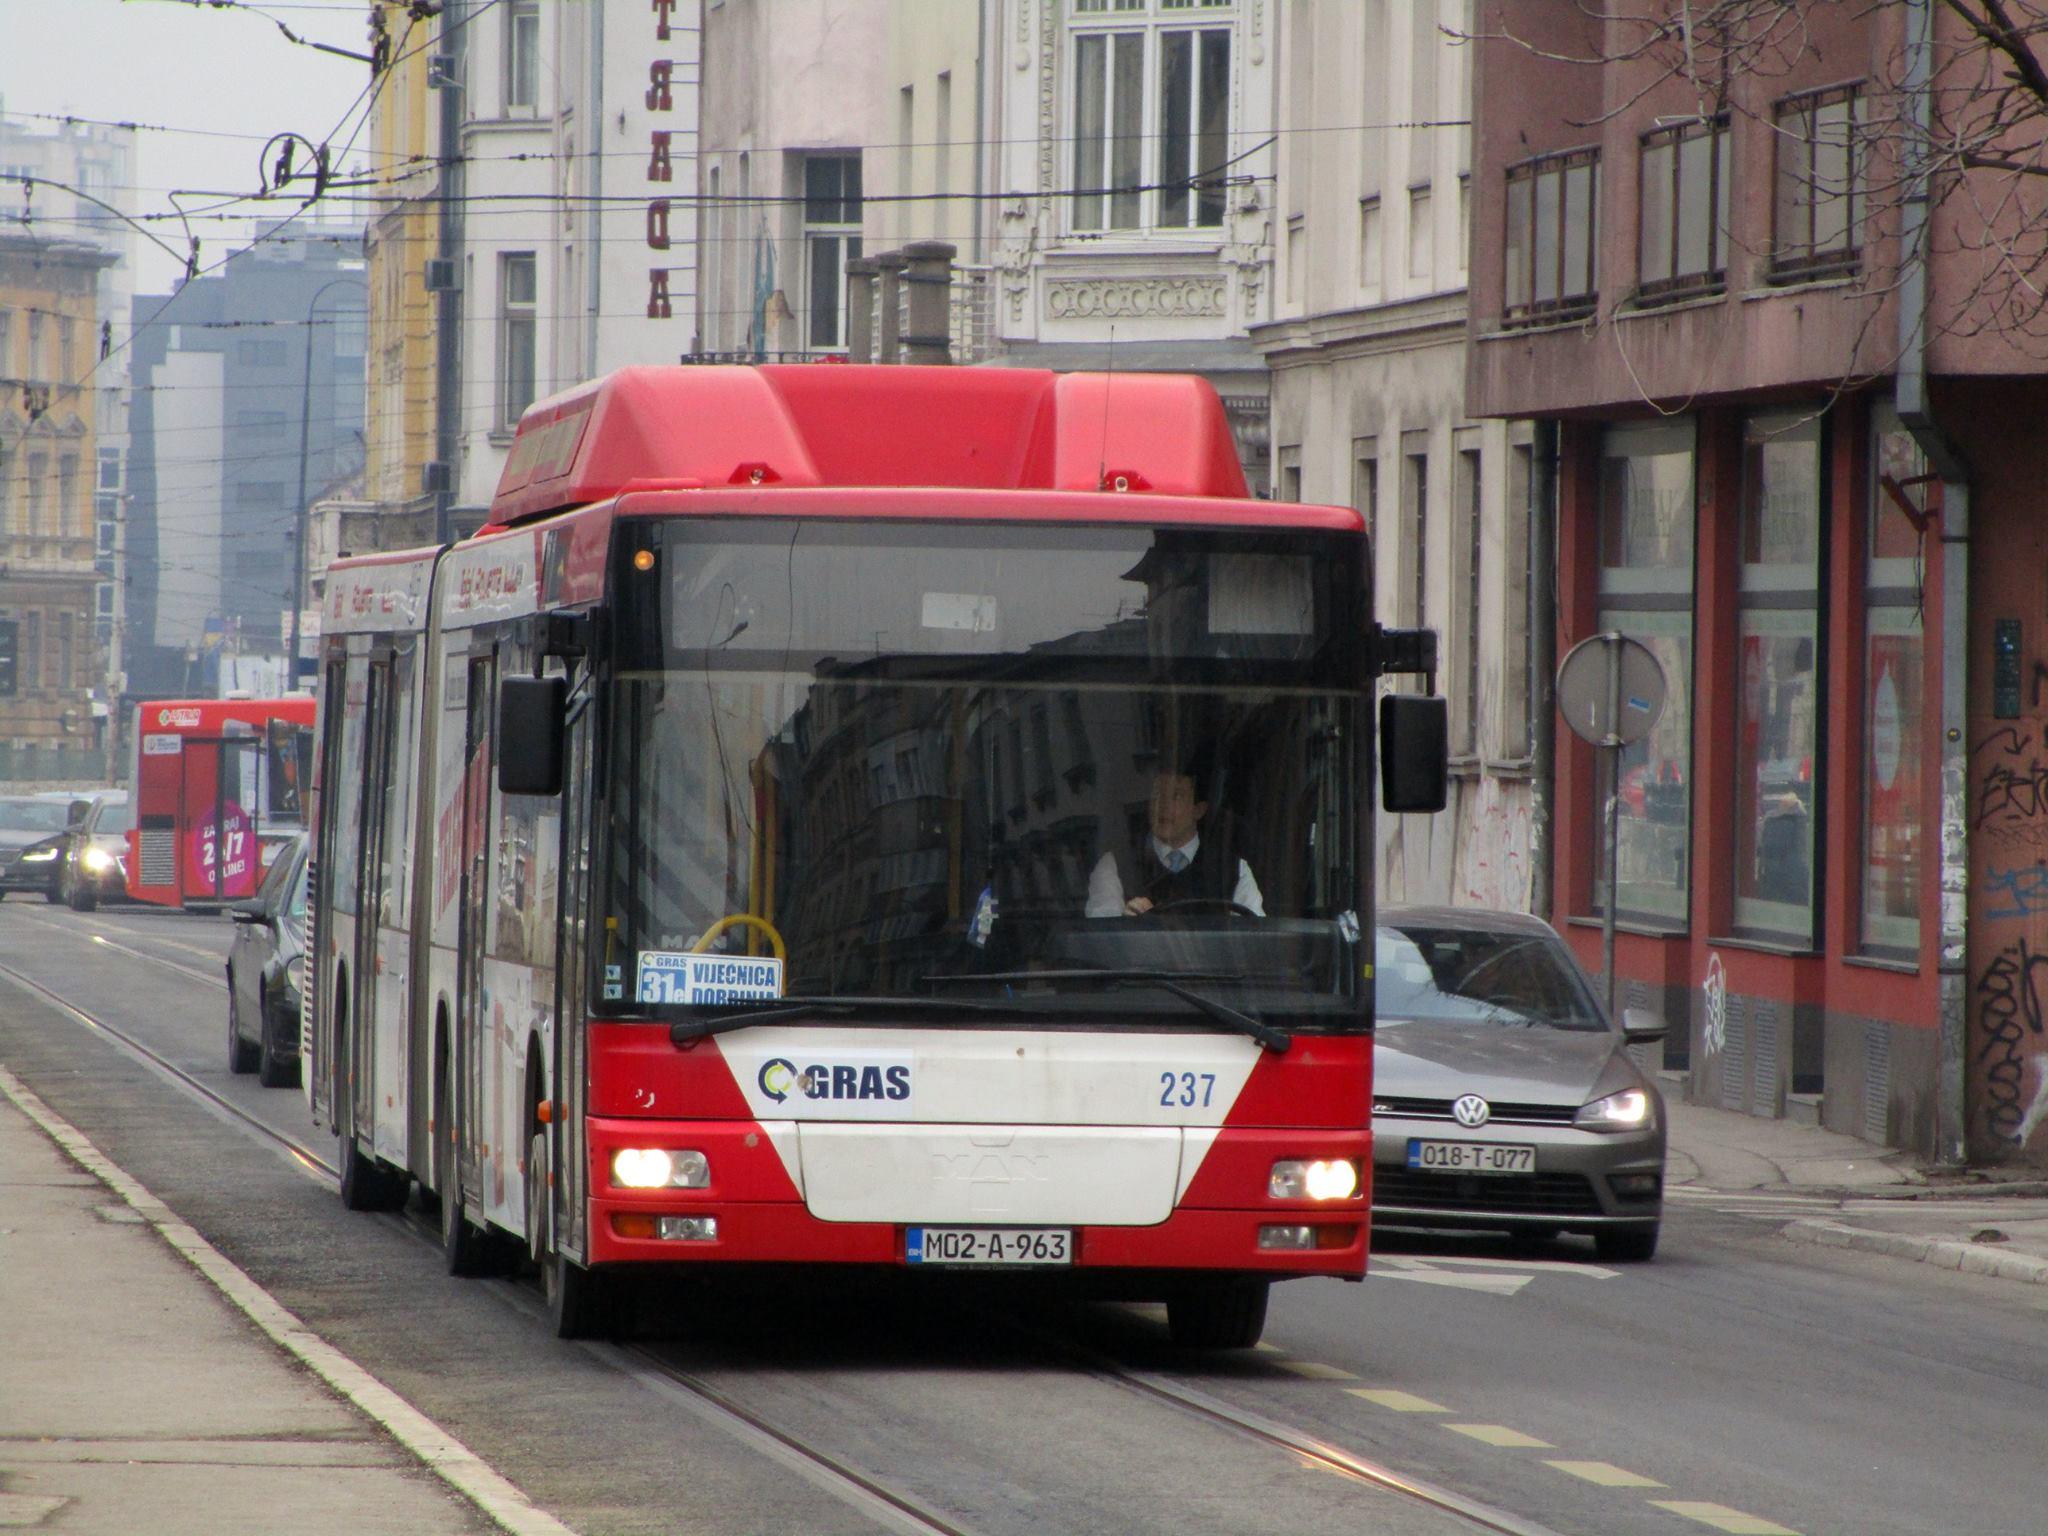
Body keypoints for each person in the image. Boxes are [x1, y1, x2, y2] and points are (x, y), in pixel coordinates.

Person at [1085, 766, 1263, 918]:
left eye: (1175, 796)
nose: (1162, 806)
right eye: (1157, 795)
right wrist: (1126, 923)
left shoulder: (1234, 869)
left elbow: (1254, 939)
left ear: (1199, 810)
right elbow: (1101, 938)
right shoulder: (1116, 864)